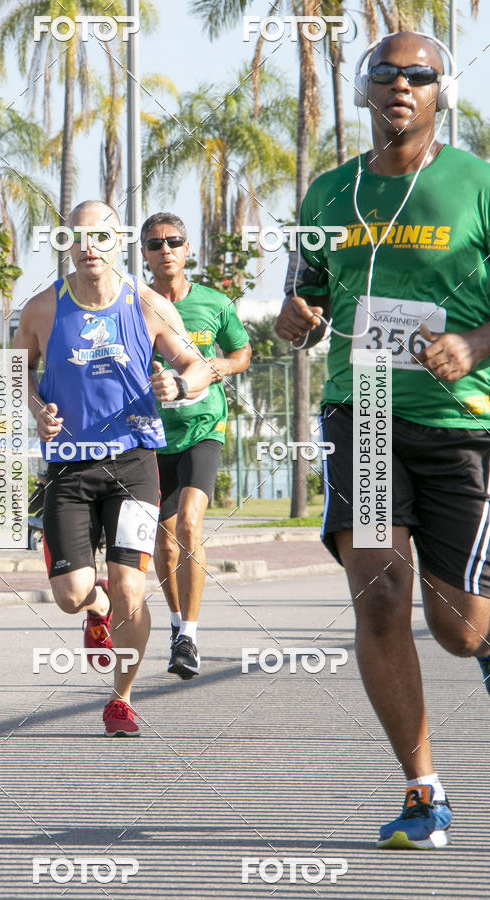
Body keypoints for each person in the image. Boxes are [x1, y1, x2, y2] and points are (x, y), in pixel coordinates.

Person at [275, 31, 490, 850]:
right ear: (365, 91)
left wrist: (473, 344)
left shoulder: (477, 186)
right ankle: (422, 790)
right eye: (387, 75)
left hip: (460, 419)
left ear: (442, 94)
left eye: (420, 76)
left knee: (461, 628)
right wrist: (294, 321)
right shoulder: (330, 195)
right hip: (360, 408)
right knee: (380, 593)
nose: (402, 86)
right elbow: (305, 306)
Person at [14, 200, 211, 736]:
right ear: (66, 244)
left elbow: (196, 364)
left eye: (100, 236)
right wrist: (36, 408)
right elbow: (12, 370)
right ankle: (95, 603)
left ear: (117, 241)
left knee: (132, 587)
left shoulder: (146, 305)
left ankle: (121, 698)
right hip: (69, 470)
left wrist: (180, 384)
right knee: (70, 596)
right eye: (78, 237)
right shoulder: (41, 310)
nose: (89, 247)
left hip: (133, 462)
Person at [141, 212, 251, 679]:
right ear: (143, 254)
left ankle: (190, 634)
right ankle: (175, 625)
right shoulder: (133, 306)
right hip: (152, 435)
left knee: (190, 524)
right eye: (155, 244)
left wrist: (216, 368)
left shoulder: (214, 302)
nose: (165, 249)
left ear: (189, 250)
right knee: (163, 544)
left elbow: (243, 353)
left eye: (174, 241)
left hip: (203, 429)